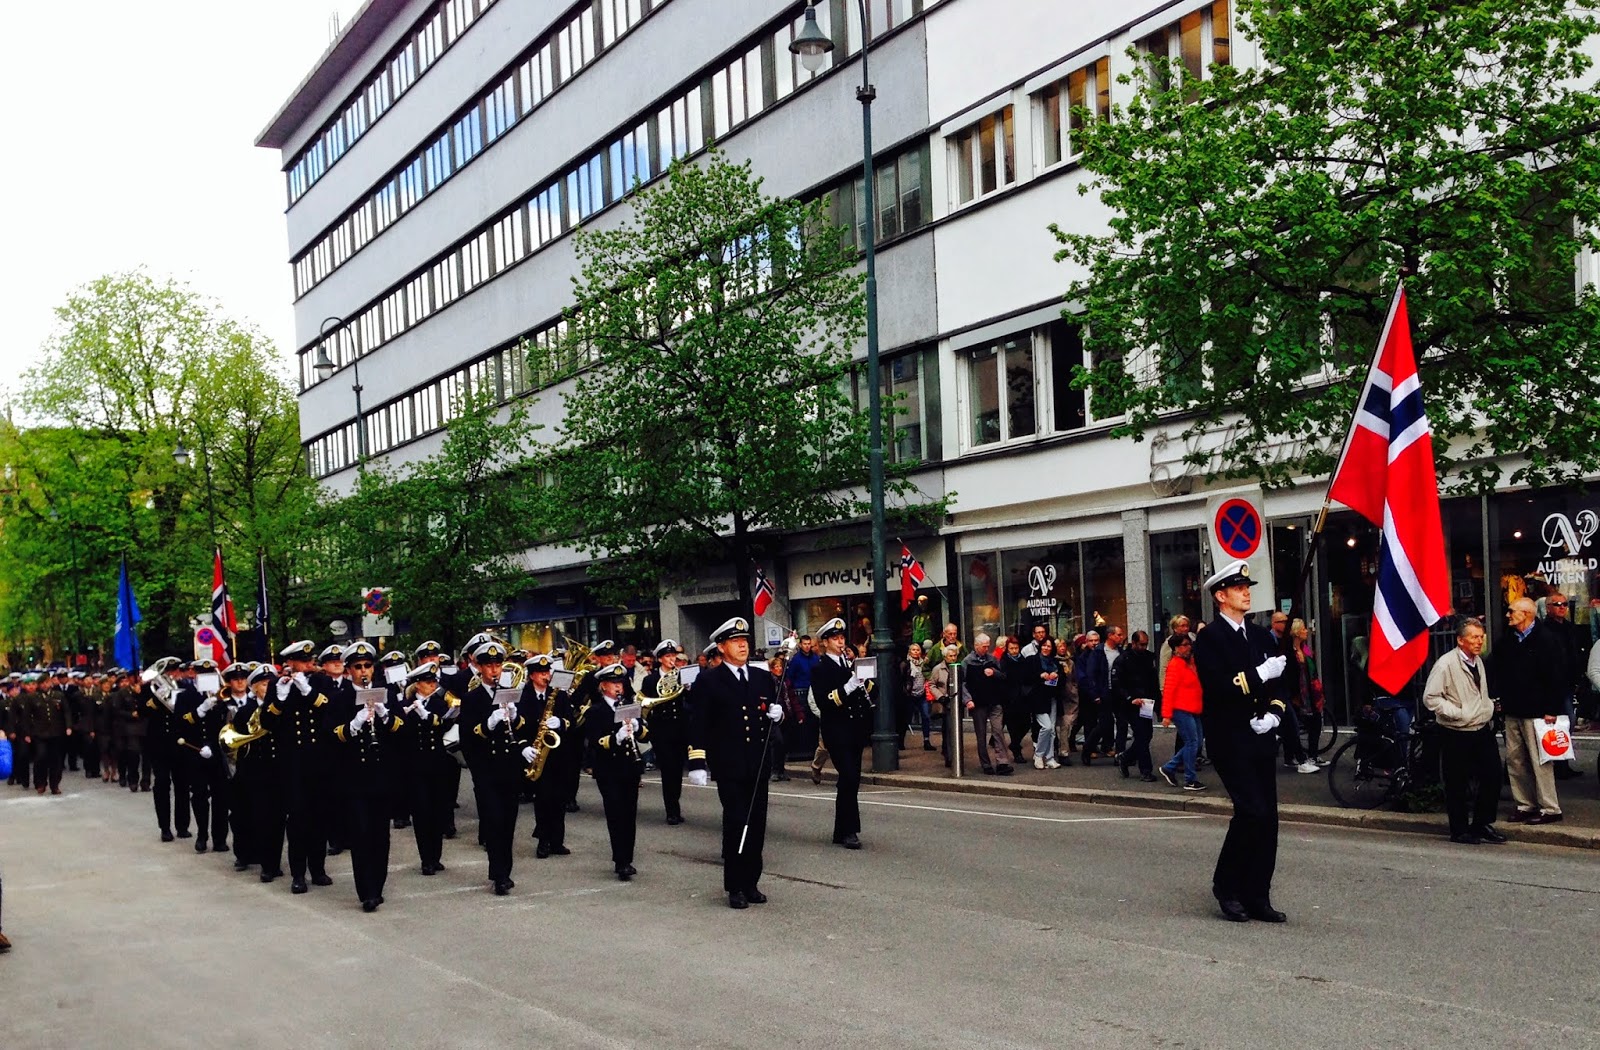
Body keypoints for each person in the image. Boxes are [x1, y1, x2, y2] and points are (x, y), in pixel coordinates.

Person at [1193, 561, 1290, 923]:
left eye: (1247, 587)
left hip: (1261, 738)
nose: (1247, 592)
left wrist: (1275, 715)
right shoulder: (1210, 638)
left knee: (1269, 821)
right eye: (1238, 588)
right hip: (1230, 739)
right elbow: (1217, 687)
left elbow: (1282, 685)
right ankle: (1227, 886)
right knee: (1250, 811)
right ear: (1221, 595)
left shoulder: (1263, 636)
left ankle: (1257, 894)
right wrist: (1258, 674)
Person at [687, 616, 785, 910]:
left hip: (757, 764)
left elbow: (767, 715)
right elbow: (698, 723)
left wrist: (777, 716)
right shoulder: (709, 679)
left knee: (757, 824)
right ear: (721, 646)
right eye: (735, 641)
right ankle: (735, 886)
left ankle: (752, 881)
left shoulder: (760, 676)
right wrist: (697, 761)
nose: (742, 645)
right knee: (736, 823)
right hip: (729, 764)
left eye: (744, 641)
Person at [331, 644, 404, 911]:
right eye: (358, 667)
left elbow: (401, 729)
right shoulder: (339, 699)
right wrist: (354, 724)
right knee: (361, 834)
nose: (364, 672)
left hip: (381, 776)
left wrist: (384, 714)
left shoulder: (387, 694)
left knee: (380, 835)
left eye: (367, 666)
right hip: (354, 779)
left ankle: (378, 885)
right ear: (349, 670)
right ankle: (366, 892)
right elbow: (333, 736)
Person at [1422, 619, 1505, 845]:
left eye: (1481, 637)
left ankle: (1481, 824)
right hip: (1456, 731)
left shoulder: (1478, 662)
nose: (1479, 641)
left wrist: (1486, 707)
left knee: (1493, 776)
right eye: (1474, 637)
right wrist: (1457, 713)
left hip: (1481, 727)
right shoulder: (1445, 664)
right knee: (1456, 781)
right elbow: (1430, 698)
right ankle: (1459, 829)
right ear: (1461, 640)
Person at [460, 641, 534, 895]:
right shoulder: (471, 699)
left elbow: (523, 727)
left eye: (498, 664)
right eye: (489, 665)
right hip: (487, 771)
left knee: (509, 822)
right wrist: (489, 724)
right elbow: (467, 738)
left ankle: (504, 870)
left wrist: (515, 717)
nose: (494, 670)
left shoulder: (510, 692)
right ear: (480, 667)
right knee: (493, 822)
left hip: (509, 768)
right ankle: (499, 874)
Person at [261, 641, 335, 893]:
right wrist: (279, 700)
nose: (308, 665)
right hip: (292, 763)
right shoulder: (276, 686)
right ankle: (298, 874)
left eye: (309, 661)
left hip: (320, 761)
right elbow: (267, 722)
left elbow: (330, 709)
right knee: (298, 820)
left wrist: (308, 690)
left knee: (321, 816)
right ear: (290, 663)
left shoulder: (321, 683)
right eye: (302, 662)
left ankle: (319, 869)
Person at [1495, 598, 1565, 825]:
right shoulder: (1508, 639)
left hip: (1538, 711)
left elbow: (1556, 676)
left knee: (1540, 760)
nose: (1507, 615)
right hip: (1513, 708)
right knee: (1515, 760)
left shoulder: (1546, 640)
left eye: (1511, 611)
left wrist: (1552, 709)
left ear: (1526, 614)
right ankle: (1525, 804)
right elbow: (1498, 669)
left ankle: (1549, 807)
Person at [810, 617, 873, 850]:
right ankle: (850, 831)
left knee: (851, 779)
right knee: (848, 776)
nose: (840, 642)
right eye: (835, 638)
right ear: (825, 642)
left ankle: (840, 829)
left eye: (842, 638)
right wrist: (848, 687)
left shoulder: (848, 664)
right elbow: (825, 701)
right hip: (836, 731)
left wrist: (865, 682)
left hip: (854, 730)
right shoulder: (820, 668)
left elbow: (865, 693)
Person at [583, 663, 647, 881]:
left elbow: (646, 735)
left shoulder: (629, 705)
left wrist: (637, 728)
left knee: (629, 814)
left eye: (621, 683)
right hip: (608, 770)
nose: (619, 688)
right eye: (614, 683)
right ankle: (620, 861)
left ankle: (627, 858)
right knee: (616, 813)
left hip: (630, 767)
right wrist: (616, 738)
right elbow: (594, 742)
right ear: (603, 686)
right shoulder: (595, 711)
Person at [397, 662, 459, 874]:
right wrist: (411, 712)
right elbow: (400, 732)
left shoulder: (438, 704)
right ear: (417, 685)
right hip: (415, 765)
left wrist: (429, 716)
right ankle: (426, 858)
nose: (433, 685)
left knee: (438, 809)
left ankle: (437, 856)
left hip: (438, 762)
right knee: (422, 812)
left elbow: (448, 723)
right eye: (428, 682)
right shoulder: (405, 705)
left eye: (434, 682)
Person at [520, 654, 574, 858]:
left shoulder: (558, 694)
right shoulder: (523, 695)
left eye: (548, 672)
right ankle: (543, 841)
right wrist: (524, 746)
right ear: (532, 675)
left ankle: (557, 841)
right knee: (543, 800)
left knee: (559, 799)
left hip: (558, 755)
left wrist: (560, 722)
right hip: (536, 754)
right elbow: (519, 726)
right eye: (542, 673)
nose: (546, 676)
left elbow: (571, 720)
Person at [642, 640, 690, 823]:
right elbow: (645, 703)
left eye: (673, 656)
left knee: (677, 770)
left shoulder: (680, 676)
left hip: (679, 728)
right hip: (661, 730)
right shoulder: (651, 679)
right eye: (668, 657)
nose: (672, 660)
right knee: (668, 770)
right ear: (660, 659)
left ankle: (675, 806)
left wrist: (689, 688)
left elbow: (691, 700)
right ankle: (671, 811)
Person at [1158, 635, 1206, 790]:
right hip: (1181, 709)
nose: (1188, 647)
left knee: (1196, 742)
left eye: (1188, 644)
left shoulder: (1189, 663)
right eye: (1184, 645)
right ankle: (1189, 779)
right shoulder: (1175, 665)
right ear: (1176, 649)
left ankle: (1170, 767)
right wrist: (1166, 715)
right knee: (1192, 742)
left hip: (1192, 708)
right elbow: (1169, 691)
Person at [961, 634, 1011, 775]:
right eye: (984, 646)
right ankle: (986, 763)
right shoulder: (967, 662)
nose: (987, 649)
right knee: (981, 734)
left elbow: (1003, 676)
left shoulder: (993, 659)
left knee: (998, 731)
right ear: (976, 646)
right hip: (978, 702)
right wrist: (968, 700)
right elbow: (962, 683)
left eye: (988, 646)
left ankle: (1002, 762)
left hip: (994, 701)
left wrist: (994, 672)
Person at [1114, 631, 1160, 781]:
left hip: (1146, 702)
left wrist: (1158, 704)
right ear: (1133, 643)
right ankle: (1145, 770)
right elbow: (1117, 683)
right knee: (1141, 734)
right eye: (1141, 644)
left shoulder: (1148, 658)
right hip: (1131, 704)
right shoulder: (1123, 659)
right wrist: (1129, 698)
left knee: (1147, 735)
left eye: (1145, 644)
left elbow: (1153, 682)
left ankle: (1125, 758)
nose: (1144, 647)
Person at [1027, 639, 1063, 769]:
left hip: (1052, 698)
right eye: (1044, 646)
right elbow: (1026, 677)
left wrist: (1056, 675)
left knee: (1052, 730)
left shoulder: (1055, 662)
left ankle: (1050, 758)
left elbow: (1063, 680)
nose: (1046, 648)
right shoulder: (1032, 660)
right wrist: (1040, 675)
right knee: (1046, 727)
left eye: (1049, 646)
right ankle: (1038, 754)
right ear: (1040, 647)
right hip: (1038, 699)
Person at [1077, 630, 1110, 762]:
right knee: (1089, 722)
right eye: (1091, 641)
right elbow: (1083, 678)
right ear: (1086, 642)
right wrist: (1092, 693)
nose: (1094, 643)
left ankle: (1106, 746)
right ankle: (1090, 749)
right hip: (1088, 695)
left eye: (1096, 640)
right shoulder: (1082, 658)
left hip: (1103, 693)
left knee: (1106, 722)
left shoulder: (1103, 654)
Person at [902, 643, 935, 751]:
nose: (916, 652)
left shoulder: (924, 663)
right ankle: (901, 740)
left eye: (918, 650)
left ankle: (926, 740)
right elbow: (903, 679)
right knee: (907, 718)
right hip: (910, 694)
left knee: (926, 716)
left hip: (922, 694)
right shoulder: (906, 664)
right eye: (913, 650)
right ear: (909, 652)